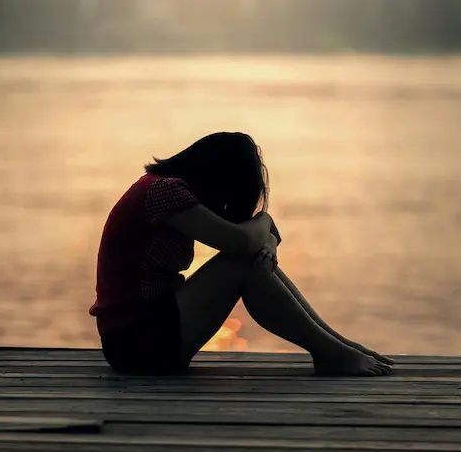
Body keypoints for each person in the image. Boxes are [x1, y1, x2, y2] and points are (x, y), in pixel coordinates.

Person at [89, 132, 393, 376]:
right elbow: (243, 242)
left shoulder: (161, 188)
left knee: (248, 260)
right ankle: (331, 351)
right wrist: (265, 221)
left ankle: (335, 345)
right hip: (136, 344)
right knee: (242, 264)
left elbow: (252, 240)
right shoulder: (165, 192)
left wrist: (266, 238)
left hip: (145, 336)